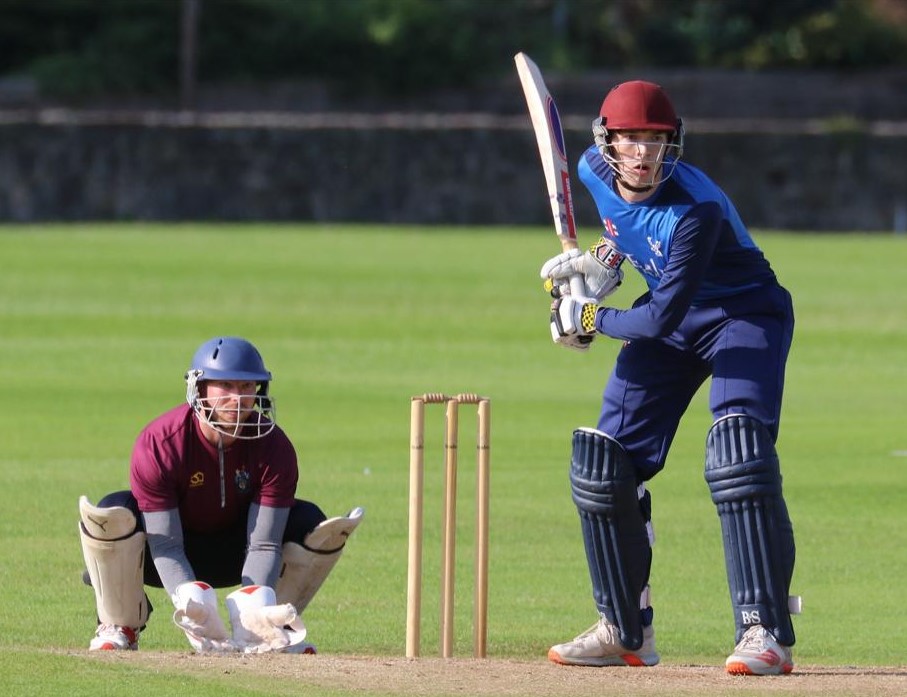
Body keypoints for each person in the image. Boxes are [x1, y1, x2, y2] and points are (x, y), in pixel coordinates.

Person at [540, 80, 799, 676]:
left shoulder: (696, 210)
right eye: (630, 139)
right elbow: (623, 229)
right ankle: (624, 630)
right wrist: (602, 267)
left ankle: (764, 632)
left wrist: (589, 316)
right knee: (604, 463)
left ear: (671, 143)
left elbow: (658, 318)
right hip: (672, 316)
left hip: (742, 313)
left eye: (656, 141)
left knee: (738, 449)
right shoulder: (590, 170)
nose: (643, 153)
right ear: (607, 141)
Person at [78, 336, 364, 653]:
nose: (237, 399)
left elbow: (265, 542)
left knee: (312, 524)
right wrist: (190, 600)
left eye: (246, 387)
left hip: (237, 553)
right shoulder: (159, 443)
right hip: (165, 555)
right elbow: (166, 544)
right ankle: (120, 624)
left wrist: (256, 602)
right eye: (225, 386)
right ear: (198, 389)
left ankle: (270, 629)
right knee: (114, 511)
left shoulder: (275, 447)